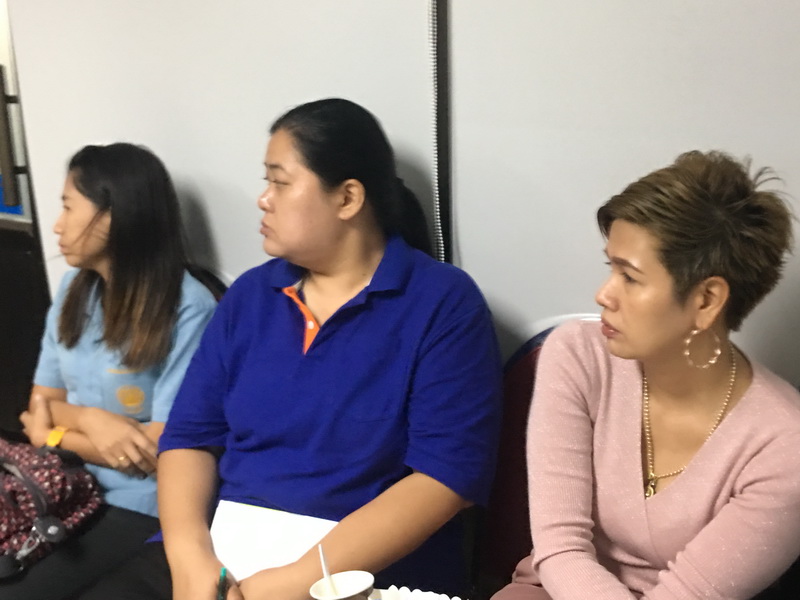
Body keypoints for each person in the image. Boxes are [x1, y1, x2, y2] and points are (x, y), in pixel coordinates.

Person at [80, 98, 503, 600]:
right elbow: (189, 438)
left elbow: (445, 478)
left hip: (359, 572)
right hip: (227, 550)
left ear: (347, 198)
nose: (264, 199)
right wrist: (190, 556)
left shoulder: (443, 303)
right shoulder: (250, 296)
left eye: (279, 182)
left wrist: (297, 580)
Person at [494, 150, 800, 600]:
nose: (603, 294)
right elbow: (560, 547)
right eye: (610, 267)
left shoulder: (784, 450)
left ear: (706, 300)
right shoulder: (578, 354)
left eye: (631, 277)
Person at [3, 143, 217, 600]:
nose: (57, 225)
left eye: (68, 207)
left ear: (112, 216)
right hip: (61, 483)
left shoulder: (188, 307)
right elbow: (40, 403)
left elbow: (158, 450)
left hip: (139, 503)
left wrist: (51, 434)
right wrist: (91, 421)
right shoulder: (74, 291)